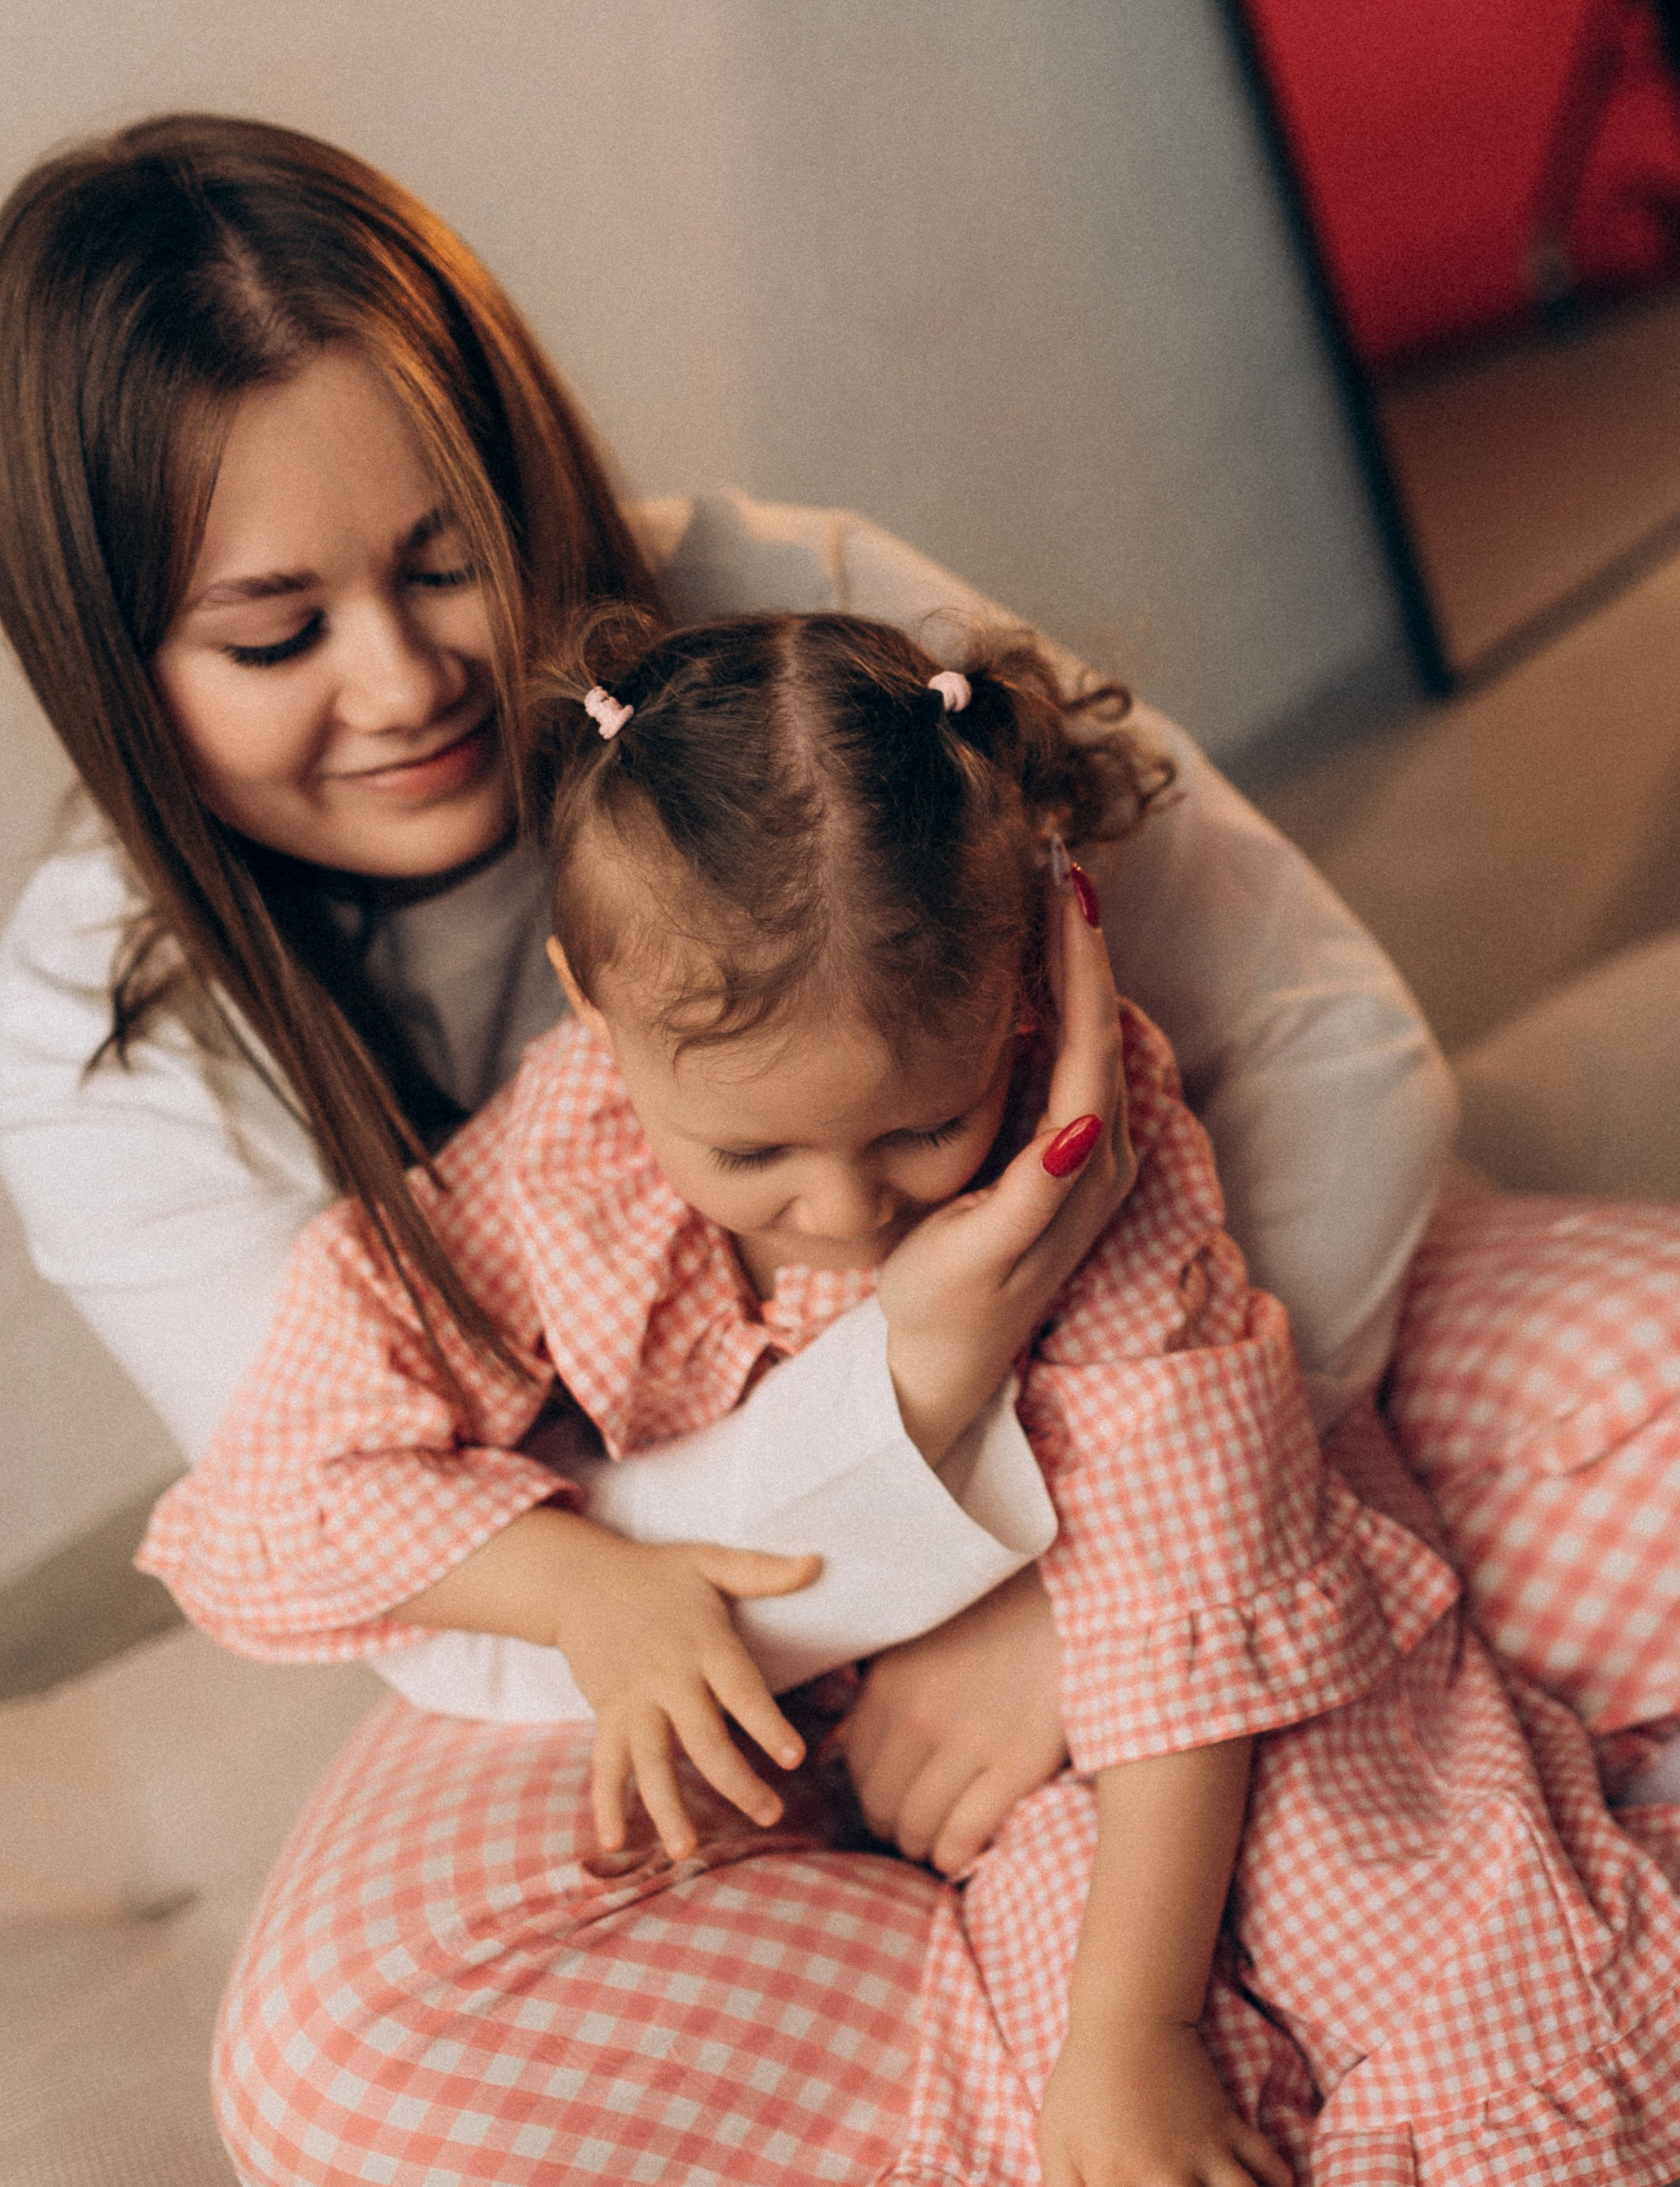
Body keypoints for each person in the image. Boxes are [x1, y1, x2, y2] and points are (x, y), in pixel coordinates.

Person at [141, 610, 1680, 2187]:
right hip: (818, 1713)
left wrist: (1134, 2026)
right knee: (1013, 2007)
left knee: (1212, 1947)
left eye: (916, 1131)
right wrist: (585, 1587)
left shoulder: (1092, 1141)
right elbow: (297, 1470)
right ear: (591, 1013)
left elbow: (1190, 1589)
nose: (846, 1212)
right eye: (753, 1160)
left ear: (1031, 990)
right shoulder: (559, 1154)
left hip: (1152, 1665)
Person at [0, 112, 1470, 1888]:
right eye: (273, 637)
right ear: (108, 667)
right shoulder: (94, 1022)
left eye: (449, 562)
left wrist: (1113, 1593)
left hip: (1182, 1432)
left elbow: (1326, 1044)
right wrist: (930, 1408)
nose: (403, 684)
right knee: (350, 2019)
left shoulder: (793, 635)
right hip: (667, 1676)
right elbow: (405, 1567)